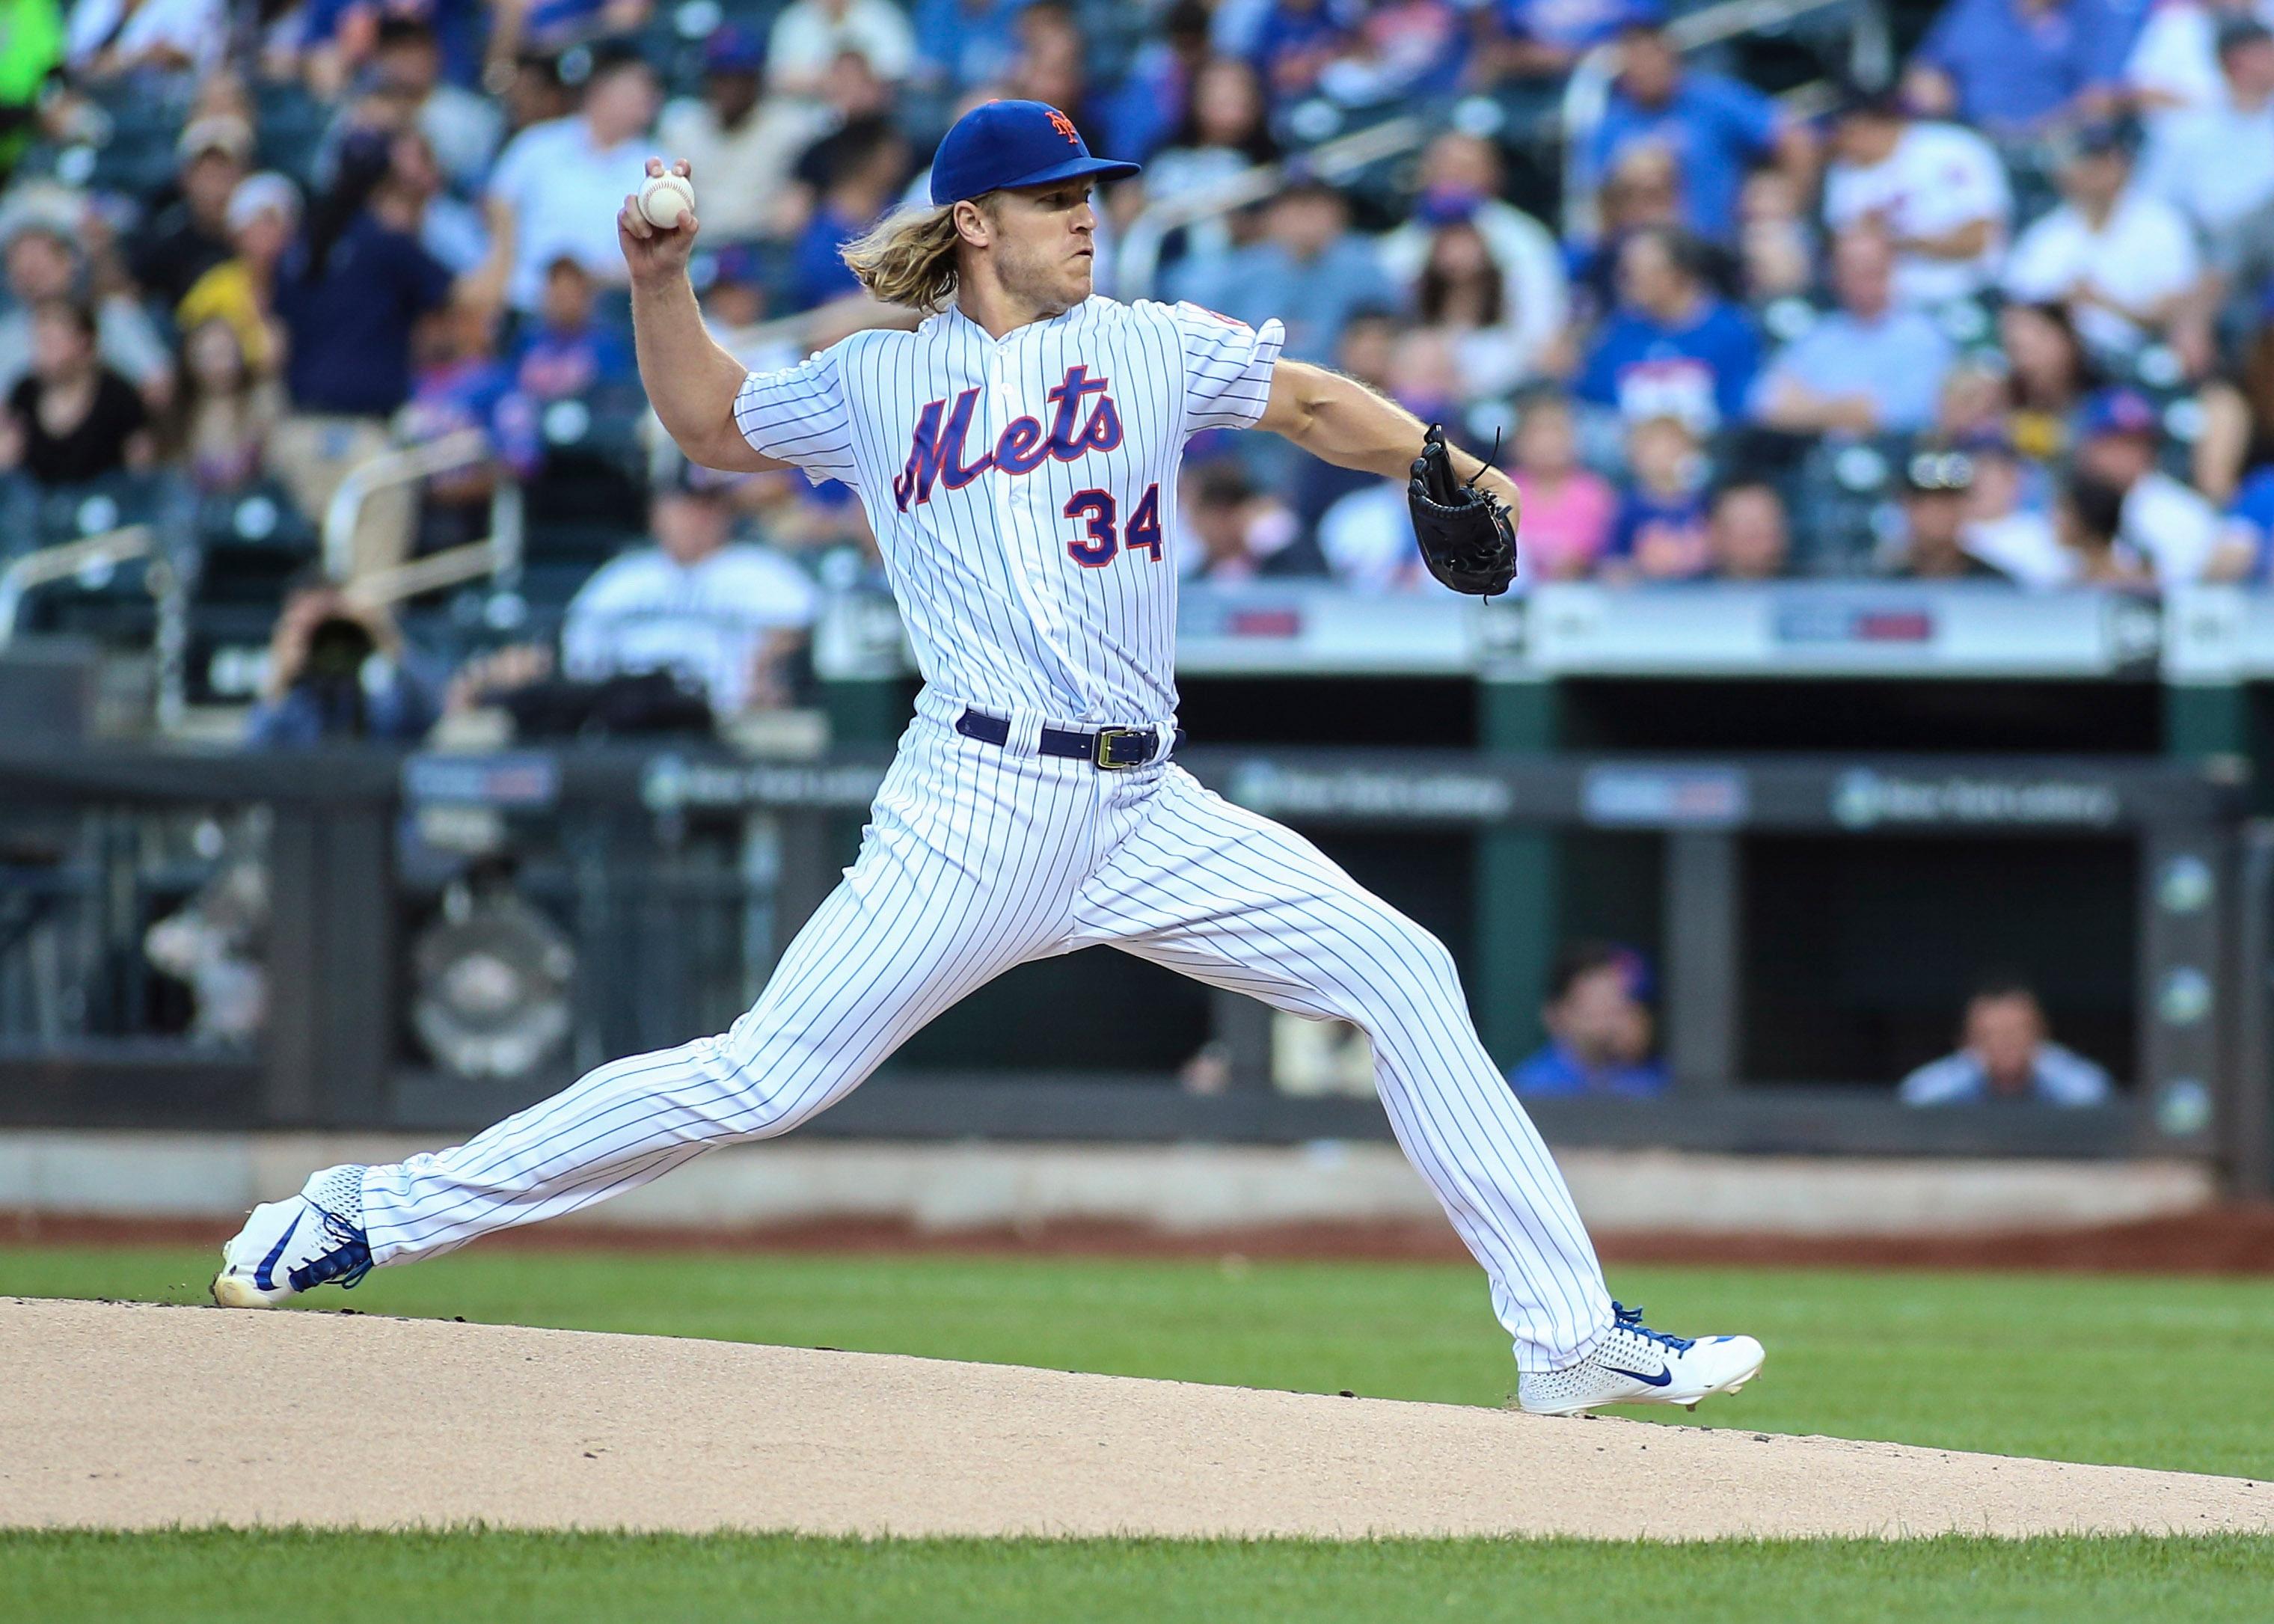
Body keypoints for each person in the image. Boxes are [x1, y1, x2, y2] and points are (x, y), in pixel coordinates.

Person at [214, 96, 1765, 1420]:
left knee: (1403, 968)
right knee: (757, 1076)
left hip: (1145, 802)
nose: (1086, 219)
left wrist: (1441, 454)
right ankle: (366, 1209)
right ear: (973, 223)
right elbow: (706, 426)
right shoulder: (882, 376)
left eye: (1092, 194)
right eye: (1053, 199)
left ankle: (1566, 1337)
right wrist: (657, 279)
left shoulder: (1149, 344)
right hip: (973, 800)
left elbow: (1302, 400)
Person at [561, 467, 823, 715]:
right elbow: (579, 651)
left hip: (727, 721)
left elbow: (808, 631)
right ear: (656, 514)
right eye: (683, 507)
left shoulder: (765, 572)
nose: (696, 518)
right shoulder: (622, 577)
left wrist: (770, 666)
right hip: (626, 719)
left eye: (707, 506)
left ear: (726, 513)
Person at [1584, 7, 1811, 243]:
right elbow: (1603, 206)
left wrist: (1789, 209)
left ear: (1669, 56)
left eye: (1651, 55)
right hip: (1648, 251)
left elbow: (1795, 138)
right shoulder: (1611, 127)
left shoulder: (1713, 99)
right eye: (1636, 58)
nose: (1645, 67)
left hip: (1722, 242)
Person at [474, 43, 658, 317]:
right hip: (526, 303)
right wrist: (500, 271)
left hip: (609, 308)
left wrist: (586, 282)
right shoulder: (537, 144)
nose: (649, 104)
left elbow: (657, 252)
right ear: (600, 93)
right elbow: (498, 206)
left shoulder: (655, 163)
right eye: (636, 94)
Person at [2004, 120, 2202, 363]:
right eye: (2087, 162)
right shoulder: (2045, 236)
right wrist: (2063, 306)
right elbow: (2020, 307)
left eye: (2105, 160)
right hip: (2064, 363)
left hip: (2137, 356)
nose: (2097, 171)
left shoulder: (2161, 225)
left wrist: (2101, 301)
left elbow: (2172, 310)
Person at [1819, 83, 2009, 309]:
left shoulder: (1952, 146)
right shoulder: (1844, 171)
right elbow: (1848, 254)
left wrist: (1898, 241)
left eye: (1841, 131)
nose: (1835, 142)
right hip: (1888, 308)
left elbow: (1979, 241)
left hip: (1970, 292)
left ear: (1869, 124)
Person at [1169, 177, 1396, 364]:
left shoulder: (1364, 266)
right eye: (1297, 209)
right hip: (1257, 392)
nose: (1307, 221)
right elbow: (1185, 303)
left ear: (1339, 214)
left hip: (1342, 388)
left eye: (1318, 209)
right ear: (1273, 217)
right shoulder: (1243, 270)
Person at [1751, 228, 1953, 436]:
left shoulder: (1922, 336)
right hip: (1813, 455)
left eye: (1870, 270)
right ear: (1836, 277)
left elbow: (1903, 412)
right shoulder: (1819, 335)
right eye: (1850, 270)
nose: (1860, 280)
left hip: (1892, 455)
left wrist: (1809, 408)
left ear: (1890, 270)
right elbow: (1766, 404)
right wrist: (1848, 408)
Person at [1574, 224, 1758, 434]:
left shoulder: (1731, 332)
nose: (1624, 282)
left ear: (1677, 274)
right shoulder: (1616, 332)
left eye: (1635, 273)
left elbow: (1739, 411)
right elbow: (1597, 403)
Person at [657, 25, 830, 244]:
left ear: (757, 79)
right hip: (698, 248)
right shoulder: (682, 125)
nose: (732, 88)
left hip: (761, 251)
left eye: (741, 77)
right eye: (722, 78)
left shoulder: (790, 125)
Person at [242, 580, 442, 747]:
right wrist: (280, 678)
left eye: (332, 627)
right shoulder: (292, 705)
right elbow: (255, 753)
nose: (327, 642)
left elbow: (426, 713)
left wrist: (385, 636)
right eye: (310, 629)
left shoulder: (377, 700)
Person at [1904, 0, 2131, 135]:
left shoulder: (2097, 14)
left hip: (2052, 144)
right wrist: (1932, 94)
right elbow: (1926, 67)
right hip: (1971, 133)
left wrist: (2030, 133)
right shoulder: (1978, 7)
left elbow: (2101, 98)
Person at [2072, 384, 2225, 581]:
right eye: (2113, 442)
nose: (2124, 455)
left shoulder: (2183, 512)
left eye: (2137, 443)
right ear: (2087, 447)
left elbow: (2183, 591)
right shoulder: (2066, 510)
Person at [0, 299, 153, 486]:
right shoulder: (24, 392)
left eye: (52, 343)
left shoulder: (117, 395)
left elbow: (141, 468)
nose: (42, 353)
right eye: (39, 341)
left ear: (84, 343)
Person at [1898, 980, 2113, 1105]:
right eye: (1989, 1035)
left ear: (2041, 1035)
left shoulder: (2077, 1087)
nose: (2004, 1044)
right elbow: (1916, 1097)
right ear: (1967, 1042)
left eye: (2015, 1033)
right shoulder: (1939, 1090)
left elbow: (2095, 1094)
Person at [1508, 942, 1669, 1097]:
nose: (1612, 1015)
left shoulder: (1643, 1080)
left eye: (1618, 1001)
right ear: (1557, 1014)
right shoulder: (1531, 1088)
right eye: (1599, 1002)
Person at [129, 114, 253, 309]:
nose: (216, 187)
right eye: (207, 174)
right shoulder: (166, 237)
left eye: (225, 172)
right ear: (185, 179)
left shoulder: (262, 236)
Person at [1507, 392, 1616, 580]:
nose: (1548, 442)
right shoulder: (1501, 490)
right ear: (1519, 442)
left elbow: (1603, 555)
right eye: (1538, 433)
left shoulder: (1593, 493)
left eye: (1557, 432)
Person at [1883, 448, 2016, 580]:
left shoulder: (1992, 583)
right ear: (1908, 506)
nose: (1941, 513)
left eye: (1949, 501)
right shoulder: (1883, 581)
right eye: (1930, 502)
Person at [1706, 479, 1790, 580]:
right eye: (1747, 527)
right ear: (1716, 533)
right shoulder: (1690, 592)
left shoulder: (1806, 587)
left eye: (1767, 524)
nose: (1760, 539)